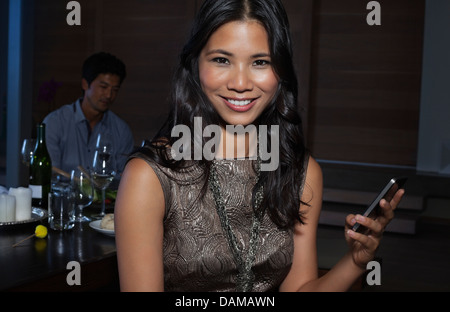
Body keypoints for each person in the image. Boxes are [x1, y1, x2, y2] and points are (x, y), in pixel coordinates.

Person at [115, 0, 405, 292]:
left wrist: (355, 261)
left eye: (260, 62)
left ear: (280, 71)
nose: (240, 83)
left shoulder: (300, 172)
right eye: (221, 60)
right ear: (195, 65)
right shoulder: (151, 176)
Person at [43, 52, 134, 176]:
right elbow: (49, 175)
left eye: (115, 90)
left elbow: (123, 180)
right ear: (85, 84)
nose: (109, 95)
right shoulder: (55, 123)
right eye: (103, 87)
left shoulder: (121, 131)